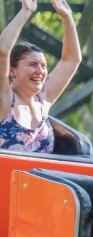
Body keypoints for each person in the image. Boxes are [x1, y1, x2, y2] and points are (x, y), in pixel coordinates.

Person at [0, 0, 80, 153]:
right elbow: (3, 50)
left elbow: (71, 60)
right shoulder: (5, 98)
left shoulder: (43, 98)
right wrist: (26, 11)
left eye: (43, 66)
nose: (40, 71)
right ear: (12, 70)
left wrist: (67, 17)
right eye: (32, 65)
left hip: (42, 176)